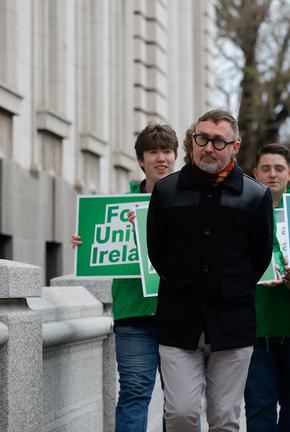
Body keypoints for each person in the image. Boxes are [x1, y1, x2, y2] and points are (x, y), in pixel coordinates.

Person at [146, 109, 274, 431]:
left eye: (219, 141)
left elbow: (259, 257)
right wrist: (183, 282)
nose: (208, 148)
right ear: (193, 140)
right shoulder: (167, 191)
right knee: (180, 413)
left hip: (233, 321)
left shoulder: (255, 195)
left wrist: (231, 286)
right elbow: (156, 250)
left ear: (235, 146)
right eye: (202, 139)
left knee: (224, 418)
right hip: (178, 320)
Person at [71, 123, 177, 432]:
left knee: (181, 403)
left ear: (175, 157)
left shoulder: (192, 202)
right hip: (134, 314)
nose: (161, 158)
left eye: (167, 151)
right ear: (141, 160)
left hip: (180, 315)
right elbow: (100, 244)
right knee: (134, 394)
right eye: (153, 152)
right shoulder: (118, 206)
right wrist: (86, 241)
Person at [244, 144, 290, 431]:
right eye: (266, 169)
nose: (273, 174)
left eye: (279, 169)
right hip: (255, 329)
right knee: (258, 407)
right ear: (255, 173)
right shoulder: (242, 212)